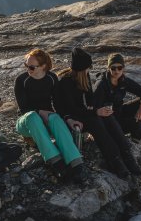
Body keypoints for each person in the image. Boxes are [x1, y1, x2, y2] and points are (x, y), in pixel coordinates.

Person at [56, 47, 141, 179]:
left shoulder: (84, 77)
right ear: (82, 67)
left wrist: (102, 109)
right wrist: (96, 112)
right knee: (95, 121)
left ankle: (127, 156)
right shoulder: (65, 82)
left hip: (82, 113)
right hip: (70, 118)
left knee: (108, 117)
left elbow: (90, 100)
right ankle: (115, 161)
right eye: (88, 67)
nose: (90, 69)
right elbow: (70, 109)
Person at [14, 48, 86, 184]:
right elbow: (23, 108)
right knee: (32, 117)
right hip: (26, 122)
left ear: (43, 66)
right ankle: (56, 163)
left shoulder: (51, 78)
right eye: (26, 65)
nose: (27, 69)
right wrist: (40, 111)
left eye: (31, 66)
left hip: (46, 120)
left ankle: (76, 163)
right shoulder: (21, 80)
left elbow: (58, 104)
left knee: (56, 118)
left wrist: (68, 119)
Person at [93, 53, 141, 141]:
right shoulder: (101, 85)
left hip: (120, 111)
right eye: (113, 68)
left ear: (123, 68)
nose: (117, 71)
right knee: (134, 123)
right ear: (108, 68)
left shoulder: (123, 80)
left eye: (119, 68)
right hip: (109, 120)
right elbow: (94, 108)